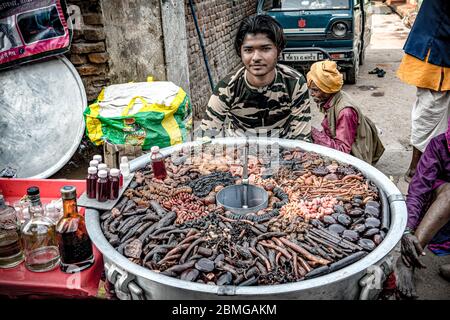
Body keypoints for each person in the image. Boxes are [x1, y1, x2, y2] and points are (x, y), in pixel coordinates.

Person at [200, 15, 311, 141]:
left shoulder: (294, 83)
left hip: (283, 151)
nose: (256, 57)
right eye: (248, 50)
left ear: (278, 50)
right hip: (239, 152)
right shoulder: (227, 87)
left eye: (265, 49)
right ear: (240, 52)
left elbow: (302, 140)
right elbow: (206, 139)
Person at [395, 117, 450, 299]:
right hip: (440, 210)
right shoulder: (439, 145)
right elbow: (418, 190)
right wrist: (407, 231)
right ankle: (408, 261)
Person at [396, 0, 450, 182]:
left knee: (436, 114)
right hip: (435, 53)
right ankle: (415, 170)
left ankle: (432, 165)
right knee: (429, 112)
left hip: (437, 50)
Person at [306, 60, 385, 165]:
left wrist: (314, 133)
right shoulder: (334, 97)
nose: (312, 94)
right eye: (311, 89)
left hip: (356, 157)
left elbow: (342, 151)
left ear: (327, 90)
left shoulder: (345, 112)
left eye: (316, 90)